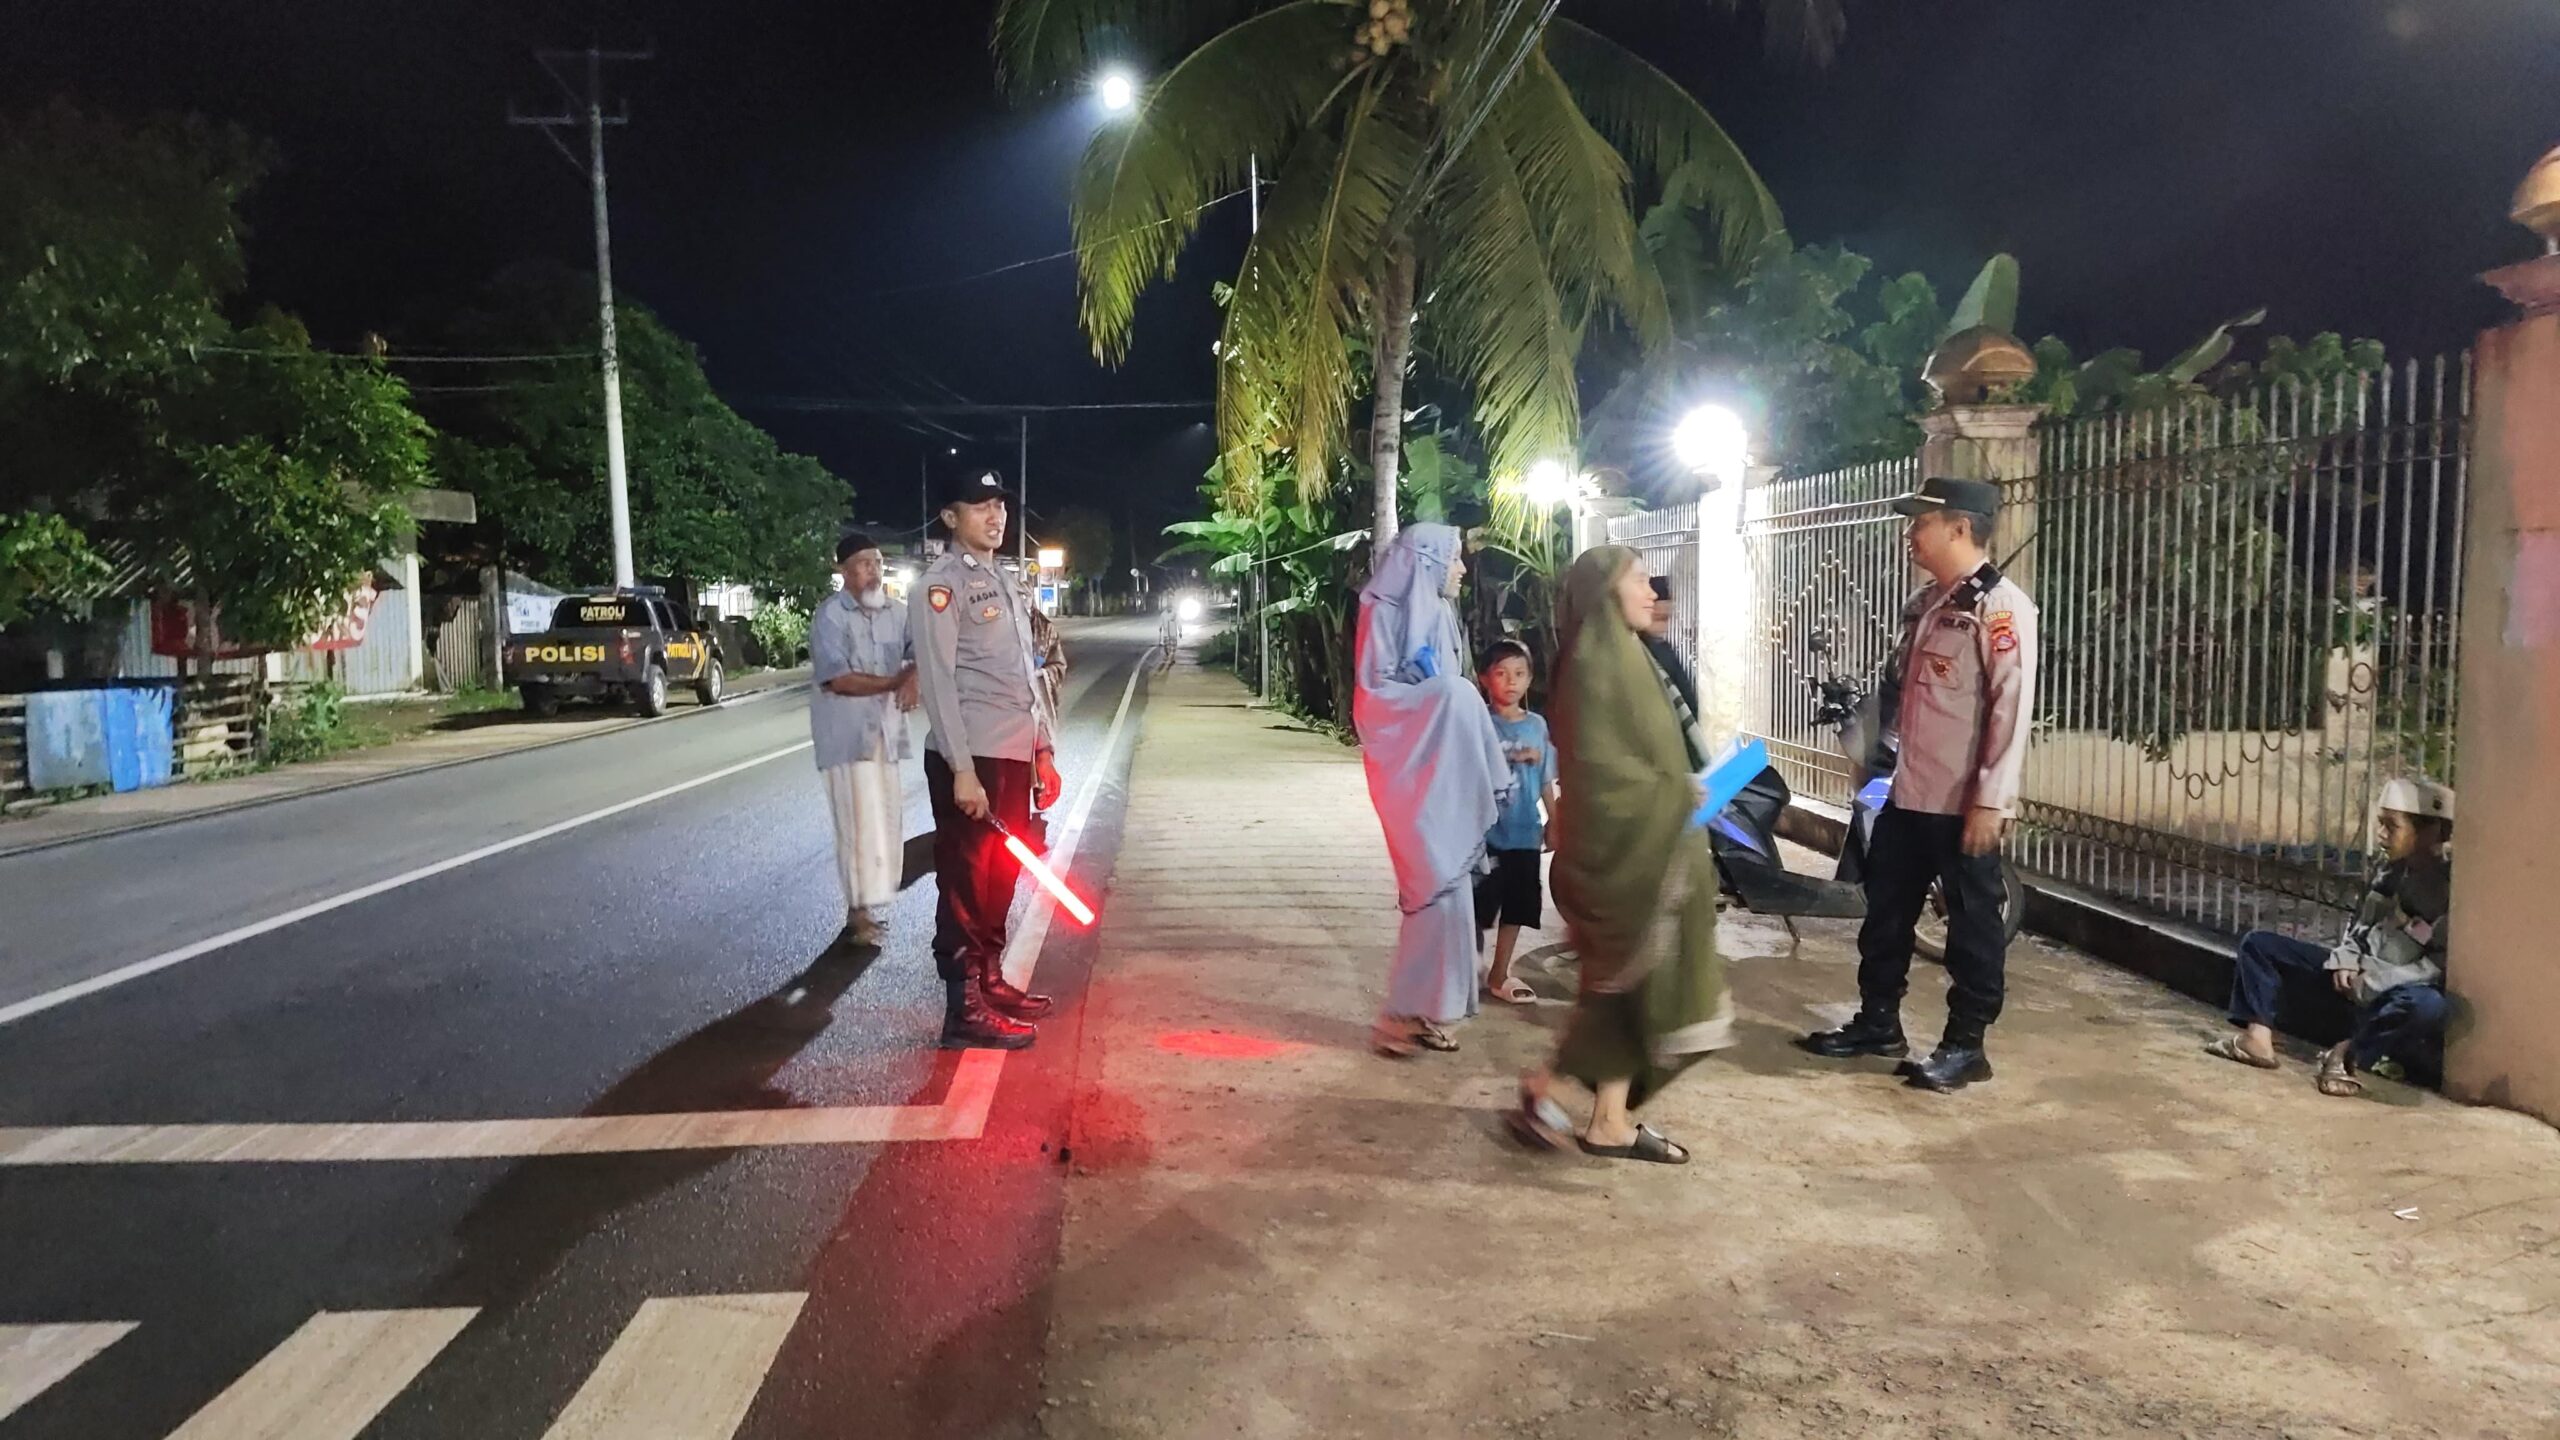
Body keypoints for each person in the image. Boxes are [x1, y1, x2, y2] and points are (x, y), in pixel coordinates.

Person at [1798, 476, 2038, 1094]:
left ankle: (1966, 1044)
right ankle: (1879, 1022)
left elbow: (2010, 712)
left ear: (1960, 528)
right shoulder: (1930, 603)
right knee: (1886, 913)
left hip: (1961, 804)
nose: (1911, 532)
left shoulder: (2002, 608)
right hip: (1908, 793)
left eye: (1921, 522)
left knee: (1971, 925)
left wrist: (1992, 799)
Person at [1511, 546, 1735, 1164]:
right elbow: (1605, 777)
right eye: (1637, 579)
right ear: (1607, 591)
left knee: (1621, 992)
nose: (1650, 592)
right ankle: (1573, 1103)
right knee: (1637, 989)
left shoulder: (1631, 657)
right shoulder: (1595, 667)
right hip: (1626, 854)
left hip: (1647, 850)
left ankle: (1600, 1114)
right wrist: (1679, 793)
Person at [914, 465, 1060, 1051]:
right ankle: (962, 1009)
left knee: (1002, 876)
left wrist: (1042, 751)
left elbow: (1025, 678)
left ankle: (991, 981)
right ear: (951, 518)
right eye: (980, 506)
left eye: (999, 504)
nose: (996, 516)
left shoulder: (1007, 581)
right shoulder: (939, 586)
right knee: (964, 885)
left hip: (1013, 755)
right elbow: (937, 681)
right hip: (970, 755)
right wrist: (962, 771)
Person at [1353, 522, 1512, 1058]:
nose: (1463, 569)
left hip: (1441, 767)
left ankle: (1424, 1012)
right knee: (1428, 888)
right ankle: (1399, 1017)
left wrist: (1446, 695)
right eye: (1454, 560)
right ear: (1426, 562)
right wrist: (1444, 695)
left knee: (1450, 890)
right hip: (1409, 767)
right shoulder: (1381, 611)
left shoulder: (1442, 614)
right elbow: (1374, 698)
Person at [2207, 777, 2454, 1096]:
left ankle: (2348, 1055)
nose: (2381, 835)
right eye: (2381, 824)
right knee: (2259, 945)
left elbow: (2435, 966)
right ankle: (2257, 1039)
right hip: (2351, 985)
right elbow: (2360, 927)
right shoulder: (2390, 871)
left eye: (2391, 826)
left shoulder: (2450, 891)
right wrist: (2346, 959)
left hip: (2388, 997)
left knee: (2429, 1004)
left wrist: (2373, 982)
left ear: (2432, 831)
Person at [808, 532, 919, 949]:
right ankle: (857, 914)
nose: (874, 571)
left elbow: (922, 651)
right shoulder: (830, 617)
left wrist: (915, 677)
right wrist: (898, 679)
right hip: (846, 738)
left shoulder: (898, 612)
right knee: (854, 824)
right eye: (864, 563)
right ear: (844, 571)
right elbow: (839, 679)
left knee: (886, 820)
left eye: (877, 562)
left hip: (886, 735)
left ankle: (873, 903)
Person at [1476, 640, 1558, 1006]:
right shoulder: (1479, 725)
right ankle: (1465, 969)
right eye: (1501, 673)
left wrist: (1553, 820)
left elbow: (1544, 779)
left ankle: (1499, 973)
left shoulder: (1537, 726)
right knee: (1477, 908)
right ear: (1484, 679)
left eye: (1519, 674)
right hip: (1486, 835)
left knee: (1518, 907)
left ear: (1530, 679)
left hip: (1525, 833)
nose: (1511, 682)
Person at [1641, 574, 1703, 759]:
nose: (1663, 625)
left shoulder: (1663, 648)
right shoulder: (1642, 653)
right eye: (1658, 618)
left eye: (1666, 619)